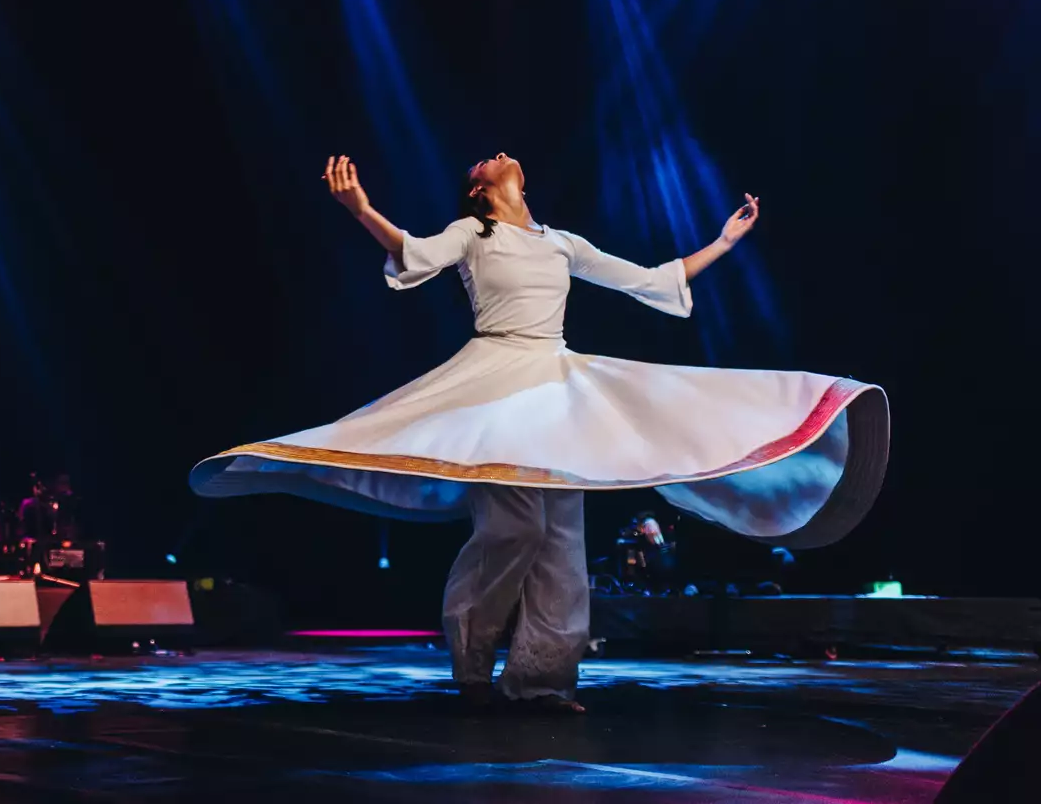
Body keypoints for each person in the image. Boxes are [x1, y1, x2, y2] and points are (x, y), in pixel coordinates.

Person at [190, 154, 889, 713]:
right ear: (481, 187)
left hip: (555, 386)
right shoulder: (475, 232)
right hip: (494, 381)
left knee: (561, 538)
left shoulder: (560, 243)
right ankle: (470, 661)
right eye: (488, 159)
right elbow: (415, 253)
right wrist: (360, 207)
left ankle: (542, 679)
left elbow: (648, 279)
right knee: (513, 530)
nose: (500, 155)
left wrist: (723, 242)